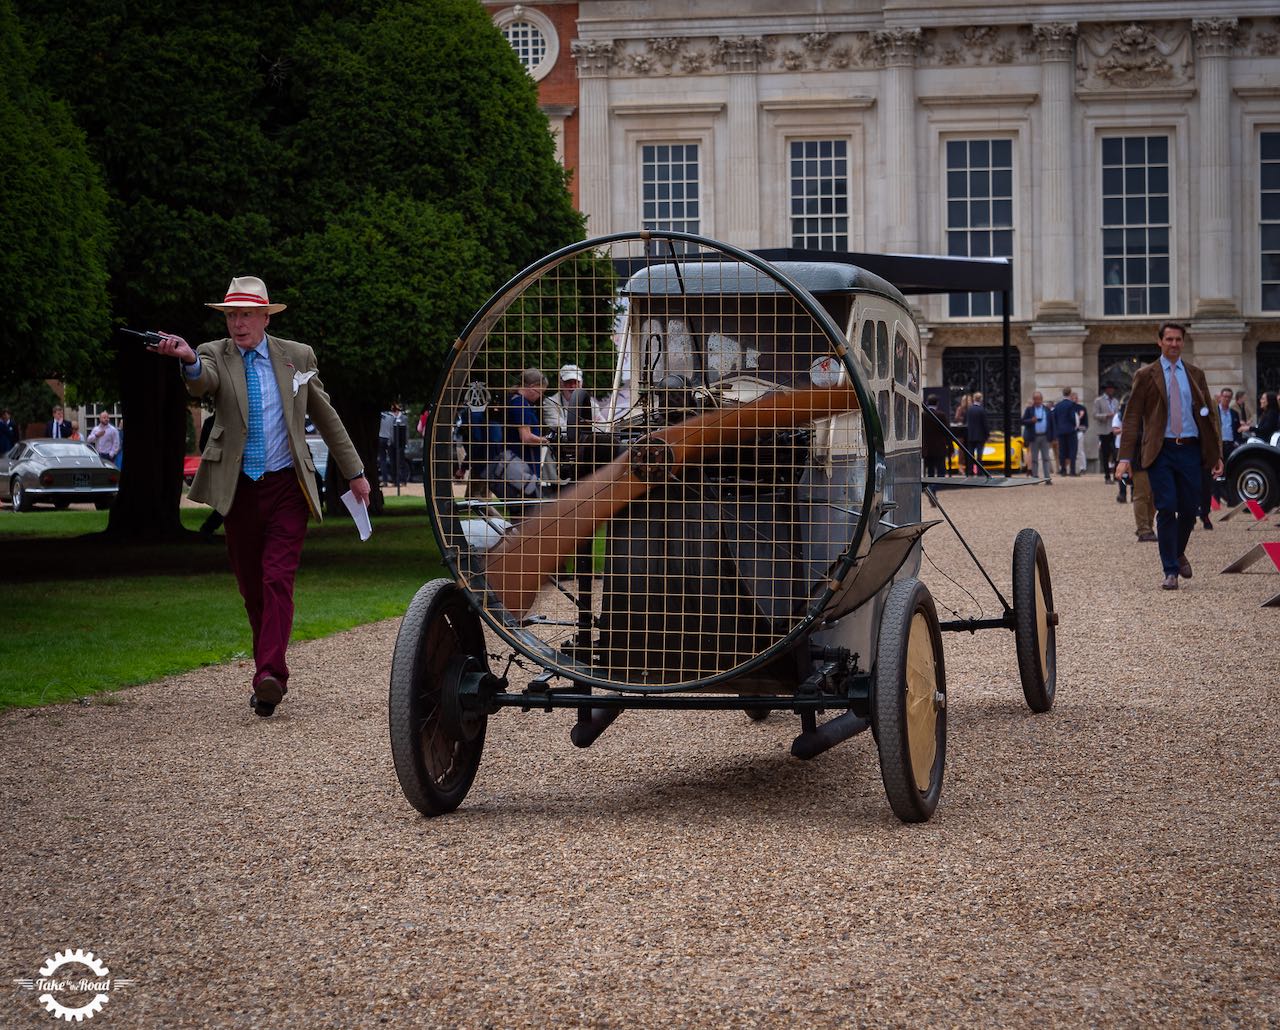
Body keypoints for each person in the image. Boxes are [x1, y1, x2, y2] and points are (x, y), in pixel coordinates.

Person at [149, 275, 370, 716]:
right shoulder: (214, 353)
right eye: (231, 314)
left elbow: (326, 416)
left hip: (288, 485)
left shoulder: (297, 356)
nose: (237, 323)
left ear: (266, 316)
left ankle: (270, 675)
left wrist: (356, 473)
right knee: (253, 590)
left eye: (246, 314)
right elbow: (202, 381)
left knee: (277, 579)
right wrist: (188, 358)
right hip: (240, 491)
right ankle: (267, 669)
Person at [1115, 322, 1222, 591]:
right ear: (1160, 342)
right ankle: (1170, 570)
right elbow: (1131, 419)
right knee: (1166, 506)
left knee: (1189, 509)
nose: (1174, 344)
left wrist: (1216, 453)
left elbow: (1210, 416)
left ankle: (1176, 551)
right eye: (1169, 339)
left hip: (1190, 448)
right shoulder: (1146, 374)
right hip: (1160, 450)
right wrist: (1124, 457)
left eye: (1178, 340)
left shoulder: (1195, 374)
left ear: (1183, 343)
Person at [492, 368, 550, 499]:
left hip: (515, 464)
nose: (540, 396)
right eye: (540, 392)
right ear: (532, 387)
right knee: (528, 505)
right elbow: (526, 437)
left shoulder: (514, 400)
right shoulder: (520, 403)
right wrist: (547, 440)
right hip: (522, 464)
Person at [542, 364, 583, 484]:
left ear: (581, 384)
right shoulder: (550, 402)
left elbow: (602, 426)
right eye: (568, 382)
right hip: (558, 459)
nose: (572, 386)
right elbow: (558, 426)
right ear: (561, 384)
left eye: (576, 382)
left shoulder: (590, 403)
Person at [1209, 388, 1241, 512]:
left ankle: (1231, 500)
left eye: (1229, 397)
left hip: (1231, 445)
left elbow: (1237, 431)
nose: (1227, 399)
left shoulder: (1234, 413)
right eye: (1225, 396)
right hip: (1219, 445)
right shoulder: (1215, 411)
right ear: (1221, 397)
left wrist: (1237, 443)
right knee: (1216, 473)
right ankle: (1215, 501)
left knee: (1231, 473)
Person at [1019, 391, 1054, 483]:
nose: (1037, 401)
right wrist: (1031, 420)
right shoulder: (1029, 410)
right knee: (1034, 459)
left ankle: (1047, 478)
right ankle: (1035, 478)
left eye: (1039, 399)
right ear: (1033, 400)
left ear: (1042, 400)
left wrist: (1053, 437)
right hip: (1034, 437)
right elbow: (1022, 421)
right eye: (1035, 399)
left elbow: (1052, 423)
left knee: (1046, 458)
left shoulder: (1047, 410)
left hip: (1045, 436)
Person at [1093, 384, 1119, 481]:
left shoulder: (1116, 401)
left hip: (1114, 430)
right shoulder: (1098, 401)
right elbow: (1095, 415)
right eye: (1110, 389)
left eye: (1113, 389)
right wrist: (1106, 415)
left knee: (1116, 453)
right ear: (1107, 389)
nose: (1112, 390)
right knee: (1105, 454)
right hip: (1104, 430)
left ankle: (1116, 475)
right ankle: (1107, 476)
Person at [921, 393, 950, 478]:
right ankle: (934, 488)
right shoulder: (941, 415)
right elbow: (947, 432)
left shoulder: (923, 415)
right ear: (937, 403)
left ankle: (931, 488)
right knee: (941, 471)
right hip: (939, 448)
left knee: (930, 471)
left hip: (928, 448)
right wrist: (950, 446)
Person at [1051, 388, 1078, 476]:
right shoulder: (1071, 404)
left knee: (1062, 451)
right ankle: (1072, 470)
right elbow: (1072, 417)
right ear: (1070, 394)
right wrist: (1074, 425)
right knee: (1072, 450)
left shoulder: (1057, 405)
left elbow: (1054, 418)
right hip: (1070, 430)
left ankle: (1063, 470)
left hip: (1060, 431)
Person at [963, 391, 988, 476]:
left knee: (971, 454)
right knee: (979, 455)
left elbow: (965, 422)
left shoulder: (969, 410)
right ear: (980, 399)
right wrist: (987, 434)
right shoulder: (982, 410)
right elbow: (985, 424)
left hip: (970, 435)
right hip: (980, 436)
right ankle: (979, 472)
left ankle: (970, 471)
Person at [1071, 390, 1088, 473]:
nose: (1075, 399)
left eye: (1076, 398)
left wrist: (1080, 417)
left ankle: (1082, 467)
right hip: (1070, 431)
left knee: (1080, 450)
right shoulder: (1069, 408)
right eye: (1073, 398)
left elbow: (1086, 423)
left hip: (1079, 431)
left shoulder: (1082, 408)